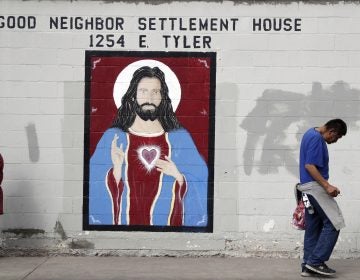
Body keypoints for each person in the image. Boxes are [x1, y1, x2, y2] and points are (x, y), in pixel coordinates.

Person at [89, 65, 208, 227]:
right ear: (133, 96)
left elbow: (201, 179)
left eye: (156, 92)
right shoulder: (115, 137)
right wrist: (116, 170)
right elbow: (94, 183)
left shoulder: (179, 138)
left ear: (163, 97)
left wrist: (178, 176)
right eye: (143, 91)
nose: (150, 99)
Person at [297, 119, 347, 277]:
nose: (335, 140)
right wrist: (327, 186)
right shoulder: (317, 139)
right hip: (314, 188)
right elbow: (310, 165)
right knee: (334, 223)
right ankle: (316, 262)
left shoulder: (309, 133)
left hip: (306, 188)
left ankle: (307, 265)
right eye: (337, 137)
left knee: (314, 227)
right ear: (332, 132)